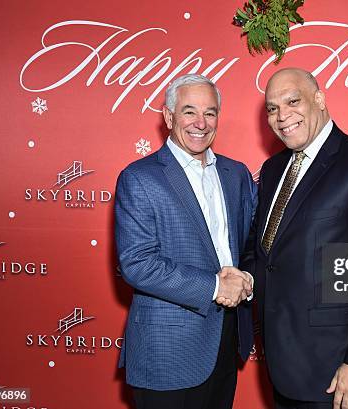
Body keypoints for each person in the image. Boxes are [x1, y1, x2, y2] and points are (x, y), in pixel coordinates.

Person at [242, 68, 348, 409]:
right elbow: (267, 256)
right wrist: (240, 278)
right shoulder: (273, 170)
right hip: (282, 364)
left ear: (319, 98)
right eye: (272, 108)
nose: (282, 116)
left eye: (292, 101)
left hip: (337, 372)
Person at [114, 74, 256, 409]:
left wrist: (246, 278)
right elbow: (137, 263)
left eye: (210, 113)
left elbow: (251, 242)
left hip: (225, 340)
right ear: (169, 116)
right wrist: (214, 287)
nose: (201, 123)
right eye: (189, 112)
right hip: (167, 351)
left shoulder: (236, 174)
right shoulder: (140, 177)